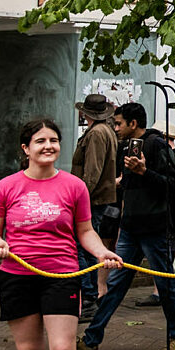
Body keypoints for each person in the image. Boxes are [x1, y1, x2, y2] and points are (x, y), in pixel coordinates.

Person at [0, 118, 123, 350]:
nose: (48, 146)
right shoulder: (5, 187)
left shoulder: (74, 186)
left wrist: (101, 252)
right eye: (40, 141)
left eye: (53, 140)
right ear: (26, 148)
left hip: (61, 276)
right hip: (16, 278)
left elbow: (85, 231)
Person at [77, 103, 175, 350]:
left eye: (118, 123)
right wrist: (122, 182)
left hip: (154, 227)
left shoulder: (155, 145)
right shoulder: (124, 146)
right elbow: (132, 184)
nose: (115, 128)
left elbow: (172, 185)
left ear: (133, 123)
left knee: (165, 283)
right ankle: (91, 341)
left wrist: (144, 171)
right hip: (130, 227)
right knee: (115, 284)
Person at [70, 94, 119, 317]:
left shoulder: (98, 134)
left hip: (91, 200)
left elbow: (92, 171)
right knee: (87, 247)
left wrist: (79, 199)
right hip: (96, 199)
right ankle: (89, 297)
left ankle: (88, 297)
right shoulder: (103, 131)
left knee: (81, 247)